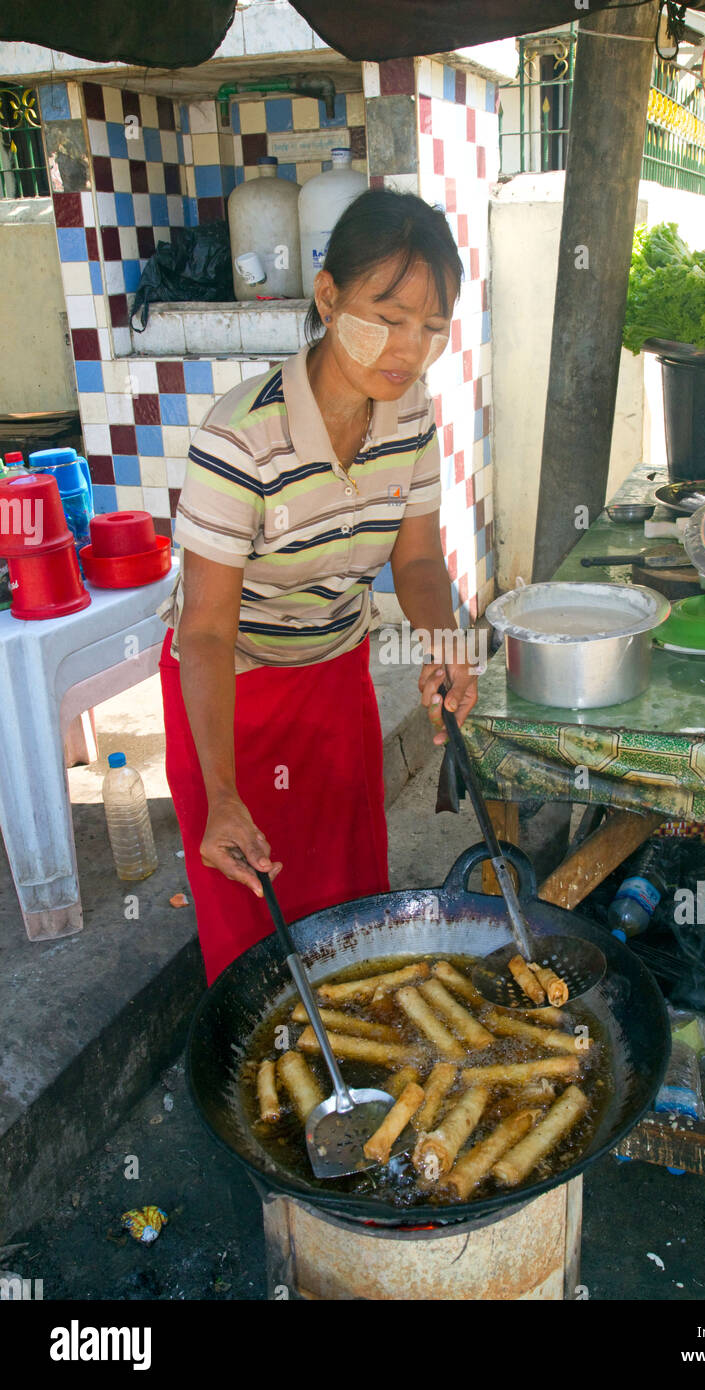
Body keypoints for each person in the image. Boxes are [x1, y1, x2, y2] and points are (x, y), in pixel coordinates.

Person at [157, 189, 478, 983]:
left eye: (432, 327)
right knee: (254, 915)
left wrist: (447, 643)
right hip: (230, 694)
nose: (409, 349)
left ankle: (359, 1089)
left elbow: (417, 563)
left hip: (335, 678)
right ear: (329, 298)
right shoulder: (240, 437)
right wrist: (222, 791)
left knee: (350, 903)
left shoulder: (410, 416)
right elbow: (203, 630)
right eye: (388, 314)